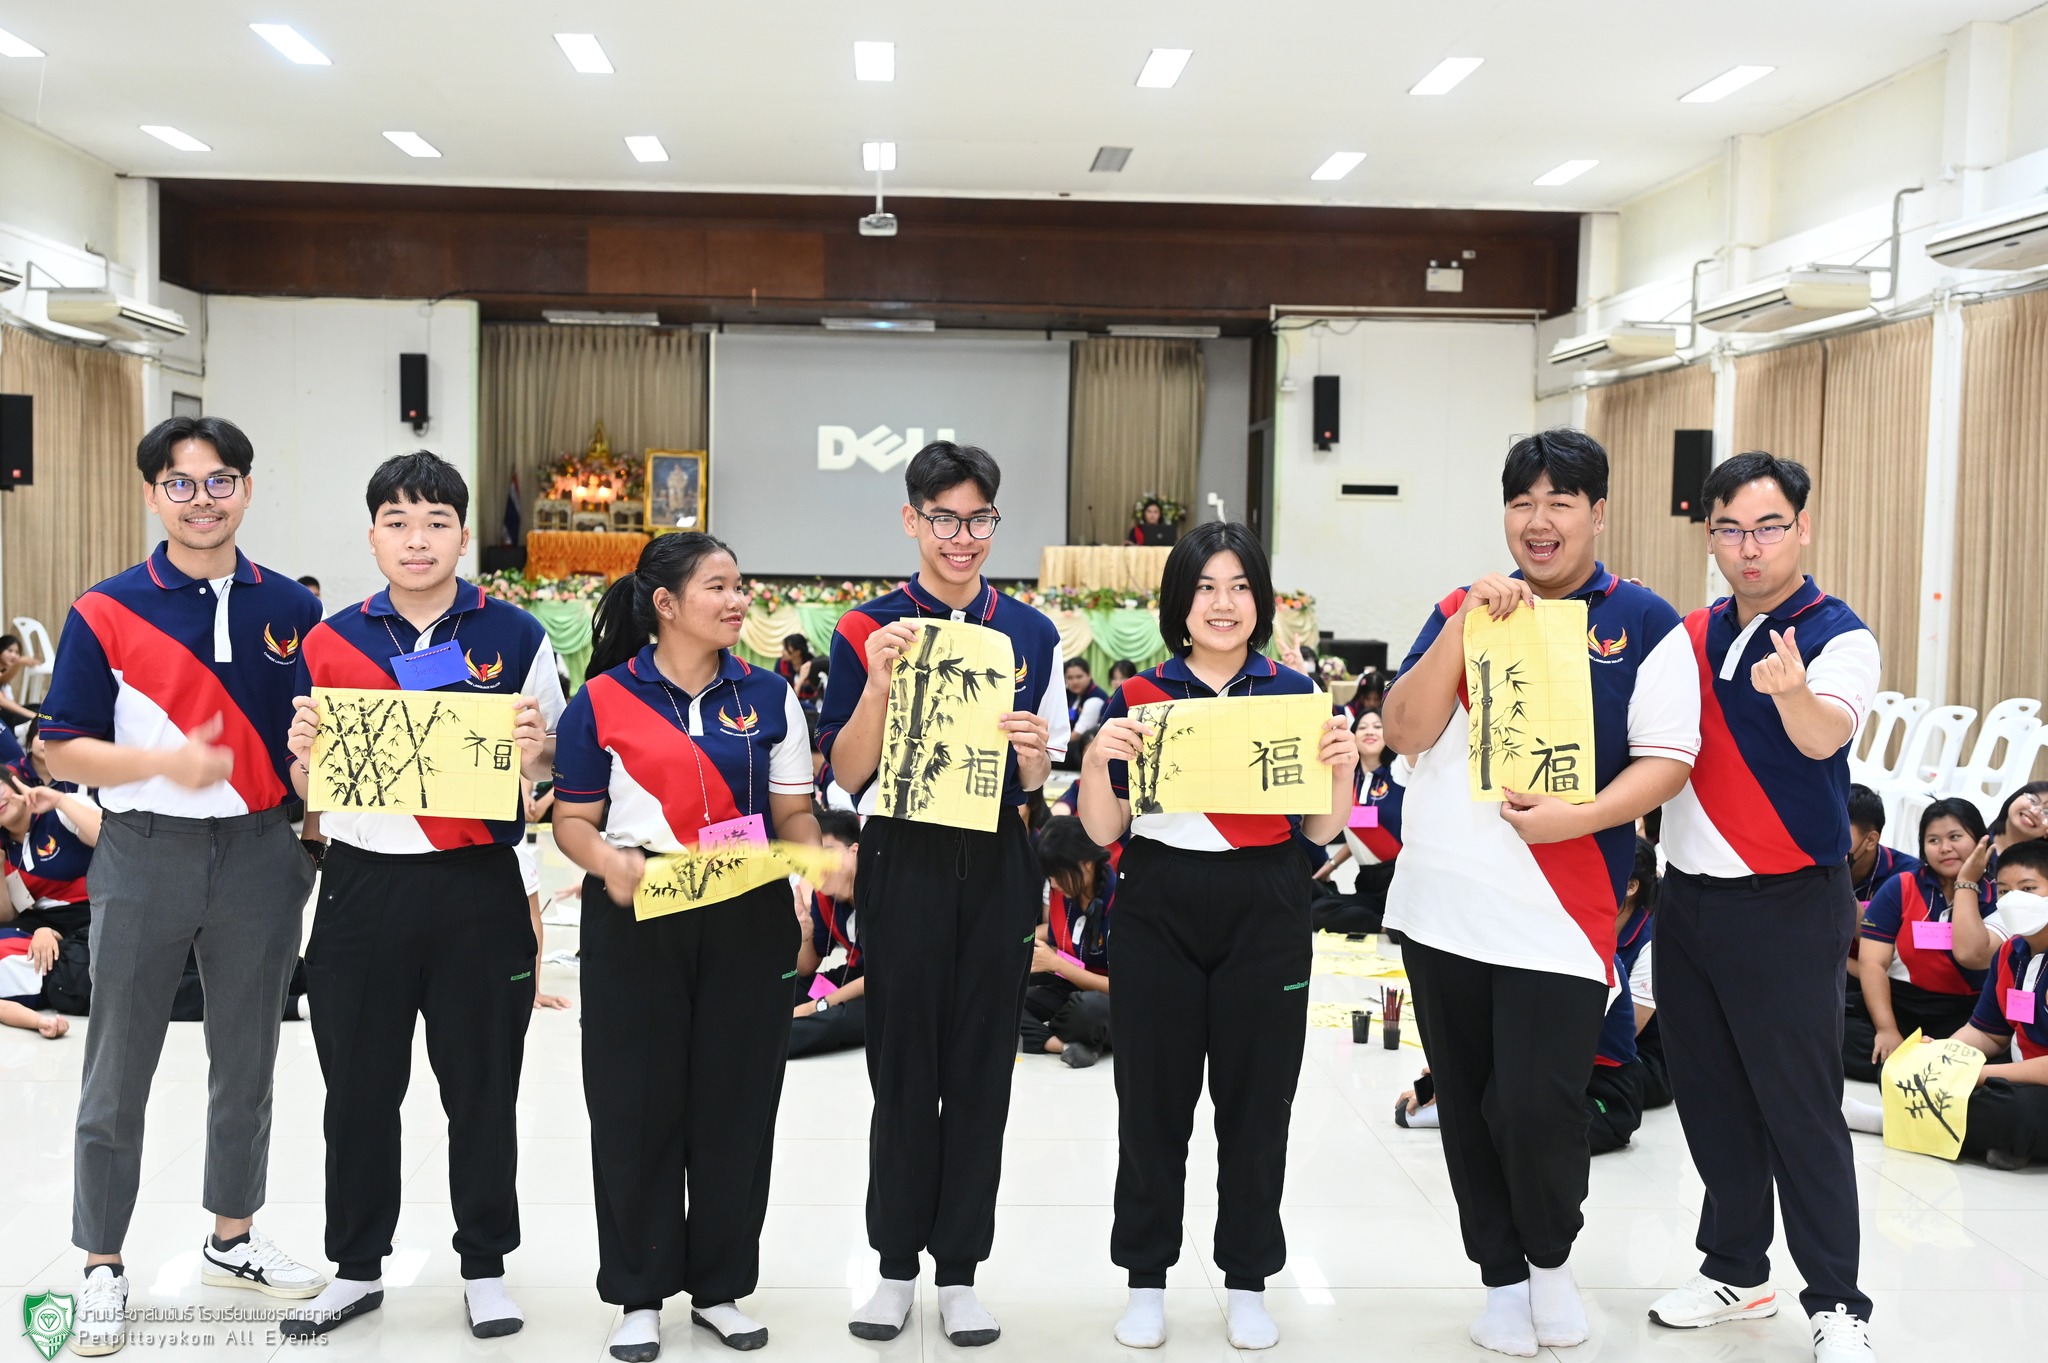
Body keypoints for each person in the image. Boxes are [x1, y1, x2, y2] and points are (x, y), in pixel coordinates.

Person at [1381, 429, 1698, 1359]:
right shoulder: (1463, 606)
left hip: (1563, 910)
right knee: (1467, 1099)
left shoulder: (1643, 619)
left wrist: (1581, 817)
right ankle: (1501, 1278)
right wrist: (1461, 625)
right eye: (1522, 502)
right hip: (1444, 903)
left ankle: (1550, 1263)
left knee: (1537, 1104)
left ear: (1598, 512)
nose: (1539, 520)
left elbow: (1669, 759)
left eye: (1561, 501)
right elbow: (1404, 730)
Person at [38, 414, 327, 1355]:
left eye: (219, 480)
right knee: (118, 1065)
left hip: (262, 853)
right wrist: (162, 762)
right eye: (180, 482)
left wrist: (309, 813)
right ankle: (101, 1263)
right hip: (144, 851)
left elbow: (315, 739)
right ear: (153, 494)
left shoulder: (294, 608)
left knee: (248, 1058)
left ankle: (232, 1238)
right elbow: (59, 747)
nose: (202, 499)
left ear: (246, 488)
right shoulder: (105, 609)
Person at [278, 451, 563, 1339]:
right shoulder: (330, 641)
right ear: (372, 536)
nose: (417, 539)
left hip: (478, 885)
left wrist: (537, 751)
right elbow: (307, 789)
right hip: (362, 886)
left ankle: (485, 1264)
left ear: (462, 535)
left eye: (436, 522)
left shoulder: (516, 634)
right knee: (358, 1090)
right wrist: (302, 753)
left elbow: (552, 768)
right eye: (397, 522)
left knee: (482, 1087)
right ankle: (356, 1265)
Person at [1078, 520, 1357, 1352]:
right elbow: (1103, 830)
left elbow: (1321, 828)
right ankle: (1146, 1278)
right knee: (1151, 1105)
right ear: (1180, 601)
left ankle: (1246, 1279)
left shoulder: (1293, 693)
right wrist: (1096, 759)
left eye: (1238, 586)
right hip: (1157, 901)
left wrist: (1342, 763)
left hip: (1266, 902)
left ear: (1260, 600)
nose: (1223, 603)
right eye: (1205, 587)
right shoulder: (1140, 695)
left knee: (1257, 1105)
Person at [816, 440, 1067, 1348]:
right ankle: (893, 1268)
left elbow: (1040, 779)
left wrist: (1034, 761)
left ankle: (960, 1271)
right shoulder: (866, 626)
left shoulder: (1031, 632)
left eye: (978, 519)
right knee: (902, 1070)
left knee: (979, 1072)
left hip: (997, 857)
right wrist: (880, 685)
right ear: (911, 519)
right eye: (944, 519)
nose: (962, 537)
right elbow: (846, 773)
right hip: (905, 856)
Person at [551, 531, 818, 1361]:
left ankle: (720, 1286)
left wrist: (815, 860)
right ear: (665, 604)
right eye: (719, 586)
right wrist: (607, 863)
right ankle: (639, 1292)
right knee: (633, 1104)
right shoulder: (601, 699)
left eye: (740, 586)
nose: (738, 601)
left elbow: (793, 813)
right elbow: (572, 819)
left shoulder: (770, 695)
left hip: (747, 907)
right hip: (640, 907)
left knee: (737, 1104)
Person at [1651, 451, 1881, 1362]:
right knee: (1710, 1098)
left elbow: (1827, 734)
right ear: (1709, 535)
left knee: (1801, 1107)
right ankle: (1737, 1269)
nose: (1750, 548)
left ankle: (1839, 1302)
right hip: (1687, 901)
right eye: (1731, 530)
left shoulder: (1838, 635)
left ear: (1802, 528)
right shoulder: (1688, 633)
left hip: (1789, 902)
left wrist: (1794, 697)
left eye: (1769, 527)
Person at [1396, 838, 1668, 1140]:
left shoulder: (1605, 956)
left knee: (1523, 1129)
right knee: (1502, 1103)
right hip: (1568, 1072)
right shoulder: (1541, 946)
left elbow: (1560, 1043)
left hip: (1610, 1085)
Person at [1844, 840, 2048, 1168]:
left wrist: (1978, 1073)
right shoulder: (2010, 953)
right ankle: (1998, 1142)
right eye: (2004, 891)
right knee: (1901, 1069)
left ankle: (1892, 1122)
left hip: (2029, 1086)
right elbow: (1987, 1032)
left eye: (2028, 888)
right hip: (2015, 1076)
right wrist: (1939, 1057)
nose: (2014, 900)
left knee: (2016, 1111)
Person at [1848, 798, 2001, 1082]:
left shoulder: (1999, 892)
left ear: (1981, 840)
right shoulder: (1901, 886)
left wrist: (1966, 883)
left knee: (1997, 1057)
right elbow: (1872, 963)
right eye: (1933, 840)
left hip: (1968, 1013)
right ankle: (1916, 1066)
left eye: (1955, 837)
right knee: (1829, 1028)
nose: (1945, 848)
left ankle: (1907, 1067)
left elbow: (1973, 955)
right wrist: (1886, 1029)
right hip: (1901, 1003)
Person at [0, 727, 100, 1019]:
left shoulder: (59, 810)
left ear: (15, 782)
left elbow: (108, 838)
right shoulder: (6, 849)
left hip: (97, 912)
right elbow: (9, 915)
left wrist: (58, 800)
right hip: (50, 924)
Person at [1022, 815, 1115, 1068]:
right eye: (1050, 876)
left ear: (1087, 863)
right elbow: (1060, 949)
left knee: (1090, 1010)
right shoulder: (1060, 893)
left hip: (1110, 1001)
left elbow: (1126, 987)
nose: (1053, 884)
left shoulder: (1121, 900)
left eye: (1059, 875)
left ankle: (1054, 1033)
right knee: (1004, 992)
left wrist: (1057, 964)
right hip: (1070, 987)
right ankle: (1061, 1044)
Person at [1310, 708, 1405, 934]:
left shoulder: (1400, 772)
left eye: (1378, 727)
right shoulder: (1345, 779)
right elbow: (1360, 833)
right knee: (1315, 910)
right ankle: (1387, 925)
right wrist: (1331, 866)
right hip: (1368, 880)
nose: (1370, 731)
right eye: (1362, 727)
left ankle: (1392, 927)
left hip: (1399, 877)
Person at [789, 808, 867, 1058]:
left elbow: (884, 973)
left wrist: (818, 1006)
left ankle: (759, 1045)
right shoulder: (825, 899)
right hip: (852, 975)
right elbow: (806, 968)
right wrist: (804, 934)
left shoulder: (879, 892)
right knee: (790, 984)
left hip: (890, 986)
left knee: (835, 1020)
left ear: (854, 851)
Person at [1848, 784, 1918, 905]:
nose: (1829, 841)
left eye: (1841, 835)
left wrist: (1838, 879)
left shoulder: (1909, 875)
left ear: (1871, 840)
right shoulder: (1816, 864)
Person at [0, 633, 37, 725]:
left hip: (10, 715)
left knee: (41, 709)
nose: (13, 655)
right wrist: (34, 716)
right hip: (4, 721)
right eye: (9, 651)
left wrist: (38, 715)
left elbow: (11, 704)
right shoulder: (4, 677)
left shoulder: (5, 678)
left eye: (17, 652)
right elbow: (3, 702)